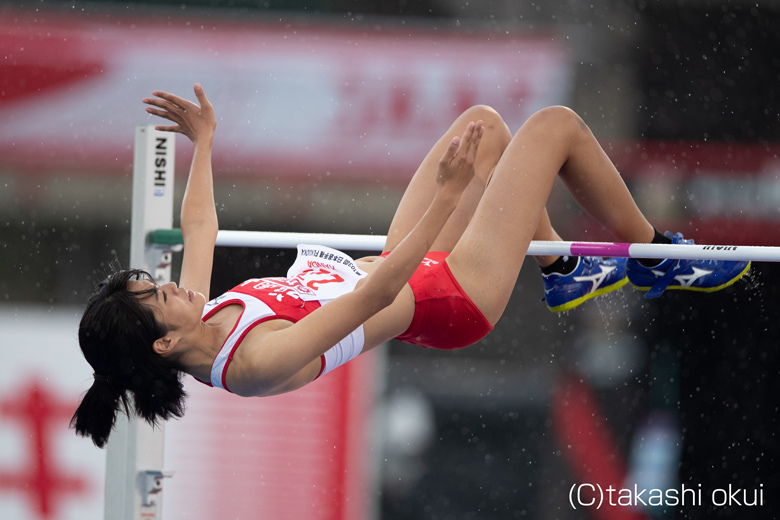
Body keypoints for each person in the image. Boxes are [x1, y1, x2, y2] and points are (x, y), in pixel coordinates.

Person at [71, 84, 750, 447]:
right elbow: (374, 300)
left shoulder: (202, 320)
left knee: (482, 126)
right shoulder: (251, 364)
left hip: (406, 264)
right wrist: (450, 198)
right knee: (556, 127)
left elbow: (200, 227)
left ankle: (565, 269)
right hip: (446, 297)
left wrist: (207, 143)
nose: (175, 285)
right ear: (163, 341)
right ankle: (658, 254)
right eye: (160, 293)